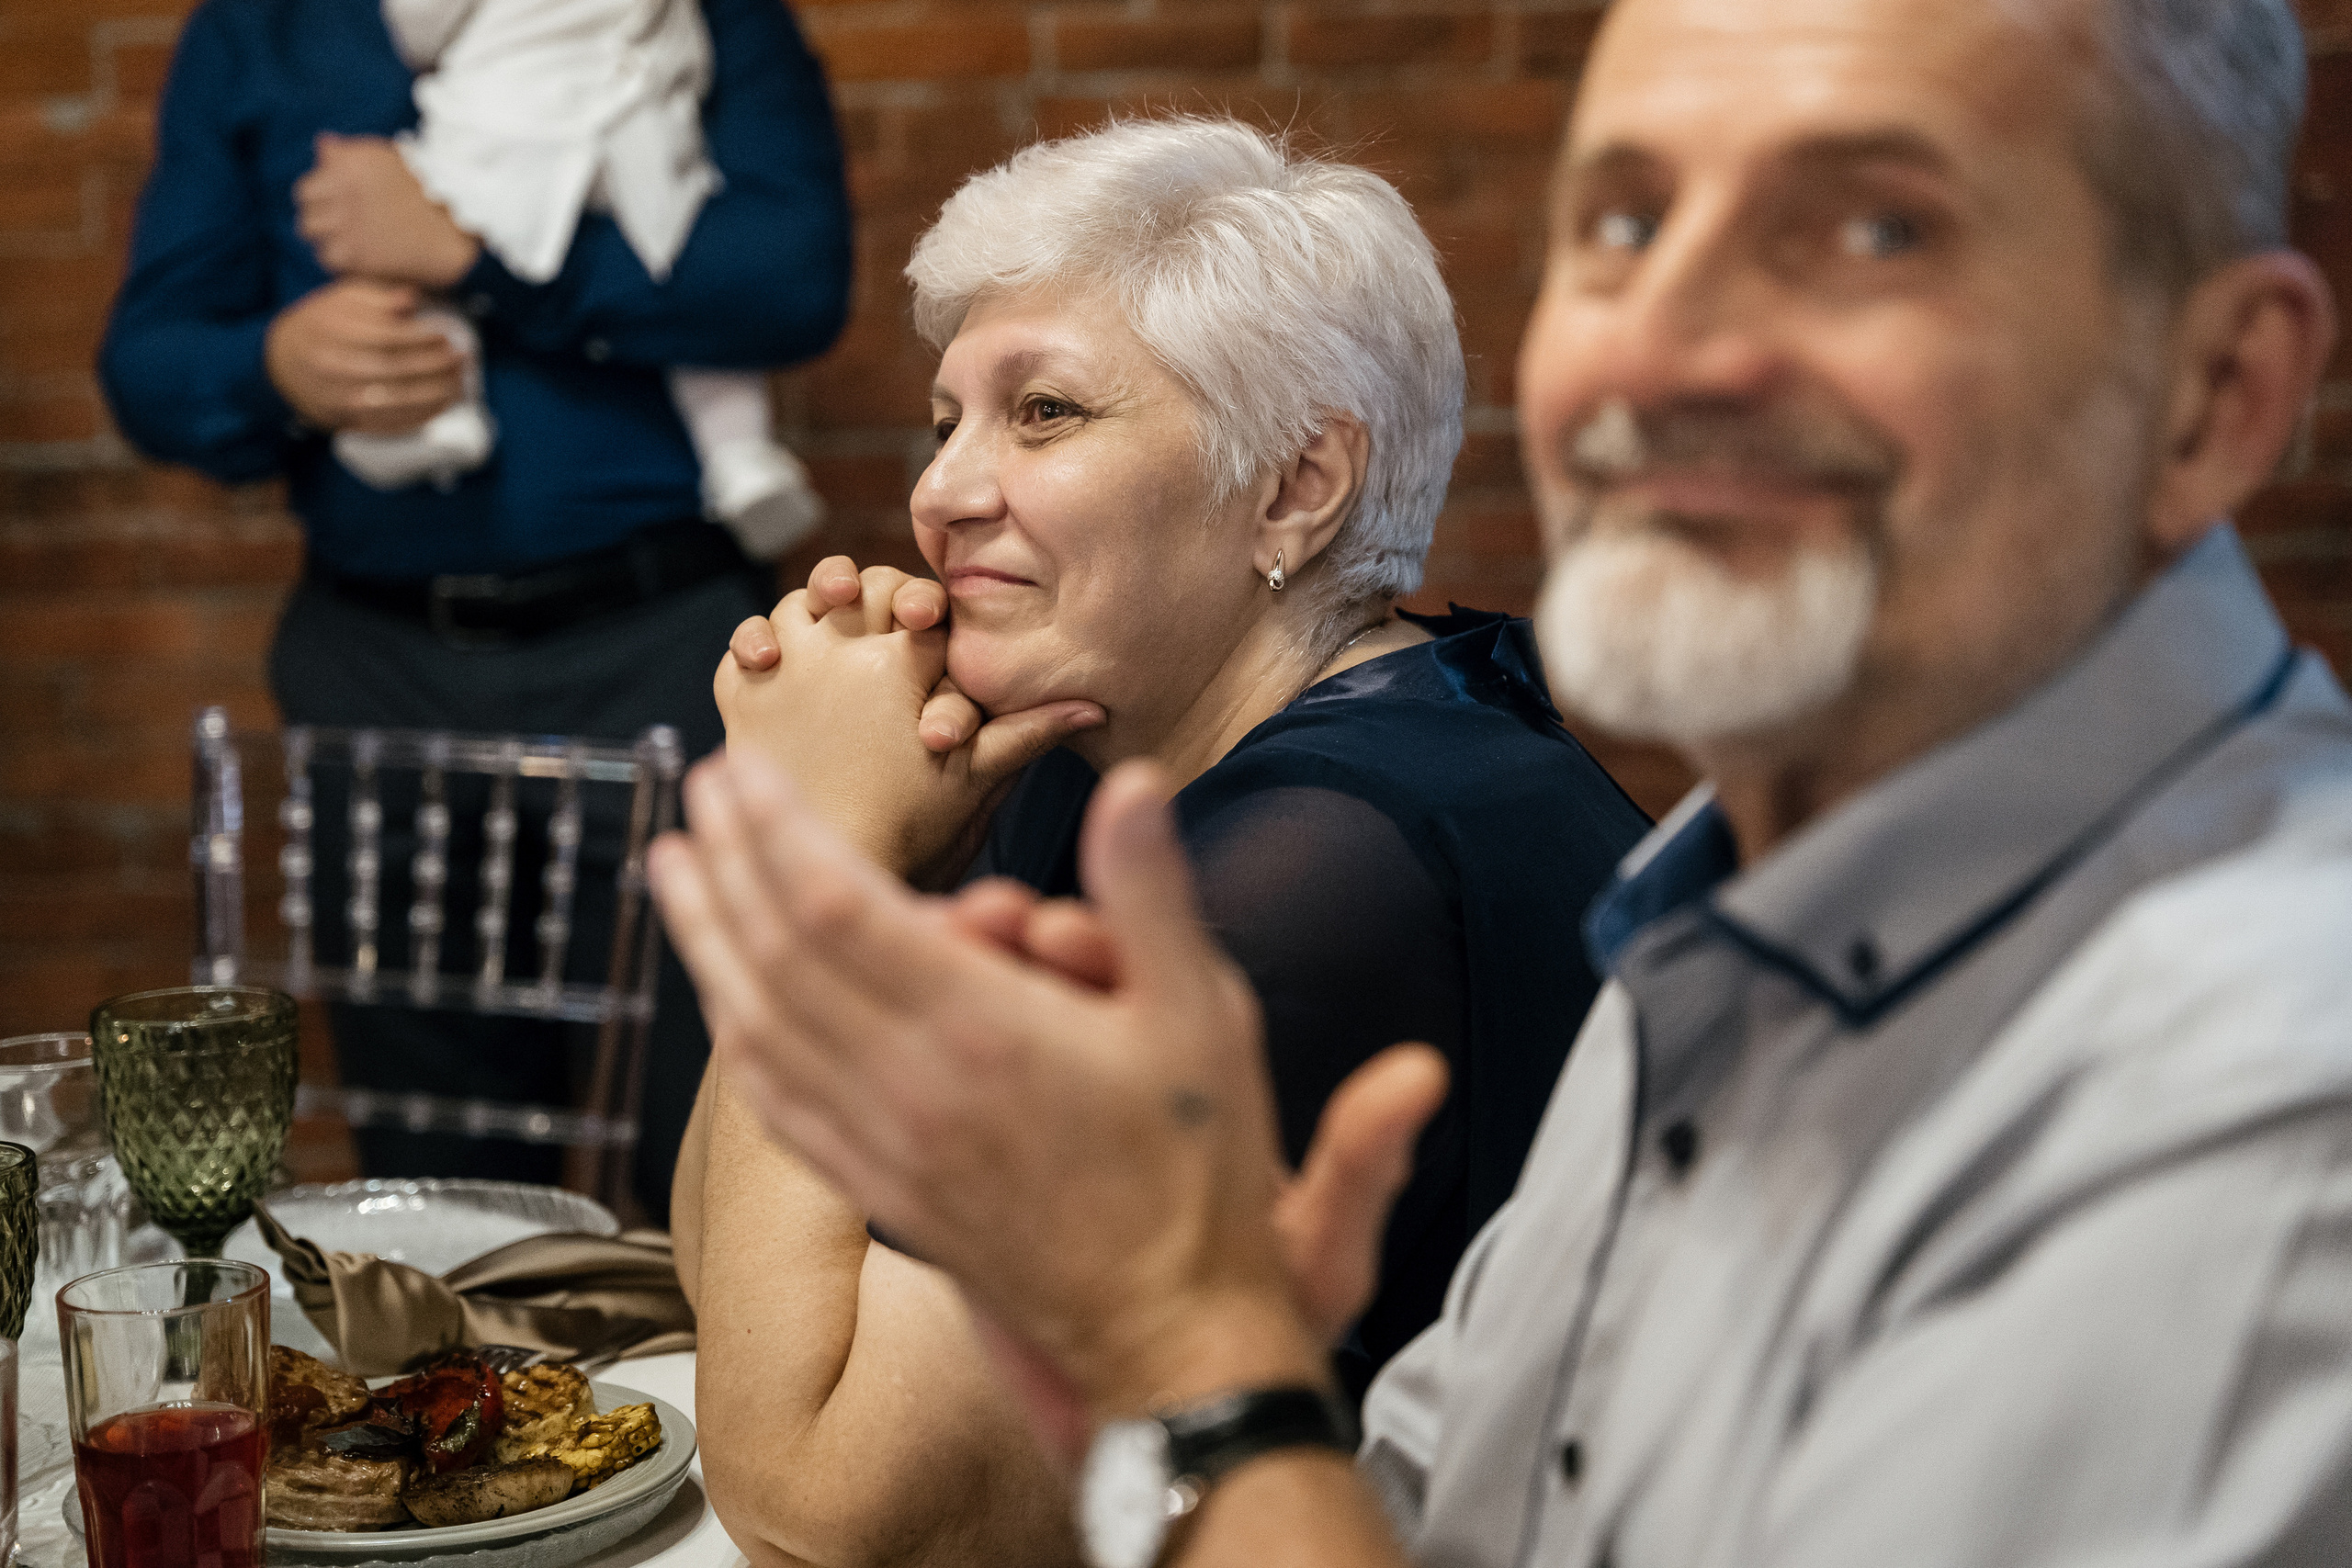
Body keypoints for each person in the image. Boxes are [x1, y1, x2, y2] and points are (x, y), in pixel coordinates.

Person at [649, 0, 2352, 1563]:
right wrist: (1210, 1362)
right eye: (1620, 225)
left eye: (1870, 230)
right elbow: (1430, 1510)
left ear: (2219, 392)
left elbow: (837, 1498)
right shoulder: (1726, 903)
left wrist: (812, 862)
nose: (1661, 344)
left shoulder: (2275, 1092)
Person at [665, 118, 1652, 1567]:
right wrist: (867, 864)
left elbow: (823, 1502)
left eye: (1045, 411)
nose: (942, 490)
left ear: (1297, 488)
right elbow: (752, 1283)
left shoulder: (1322, 865)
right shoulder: (1112, 746)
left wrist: (812, 860)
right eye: (950, 419)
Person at [99, 0, 851, 1221]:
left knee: (713, 1136)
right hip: (377, 661)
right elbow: (150, 353)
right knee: (434, 1166)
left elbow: (793, 280)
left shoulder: (696, 10)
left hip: (664, 654)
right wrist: (271, 367)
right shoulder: (257, 29)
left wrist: (478, 259)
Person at [332, 0, 826, 558]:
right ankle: (739, 455)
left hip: (506, 136)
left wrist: (475, 262)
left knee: (424, 272)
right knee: (677, 267)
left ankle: (448, 415)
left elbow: (790, 287)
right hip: (636, 128)